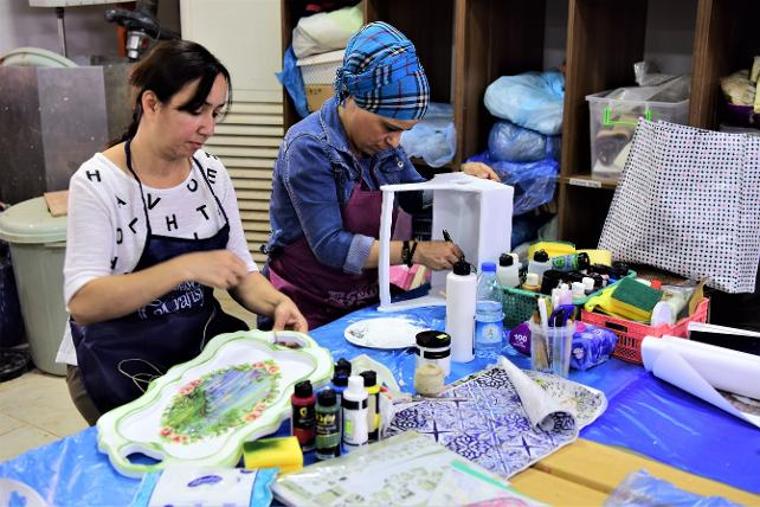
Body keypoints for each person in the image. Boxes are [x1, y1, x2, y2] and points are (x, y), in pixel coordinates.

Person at [56, 40, 307, 425]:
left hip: (194, 342)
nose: (208, 127)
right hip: (114, 357)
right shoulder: (98, 182)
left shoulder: (209, 172)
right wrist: (183, 267)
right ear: (151, 104)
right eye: (195, 111)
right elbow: (84, 303)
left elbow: (240, 270)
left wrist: (276, 304)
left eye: (215, 112)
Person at [265, 22, 499, 329]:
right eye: (389, 127)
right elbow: (331, 246)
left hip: (360, 298)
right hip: (303, 305)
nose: (395, 142)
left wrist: (461, 181)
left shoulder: (381, 147)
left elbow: (414, 197)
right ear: (351, 98)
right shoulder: (308, 148)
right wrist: (415, 252)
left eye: (404, 132)